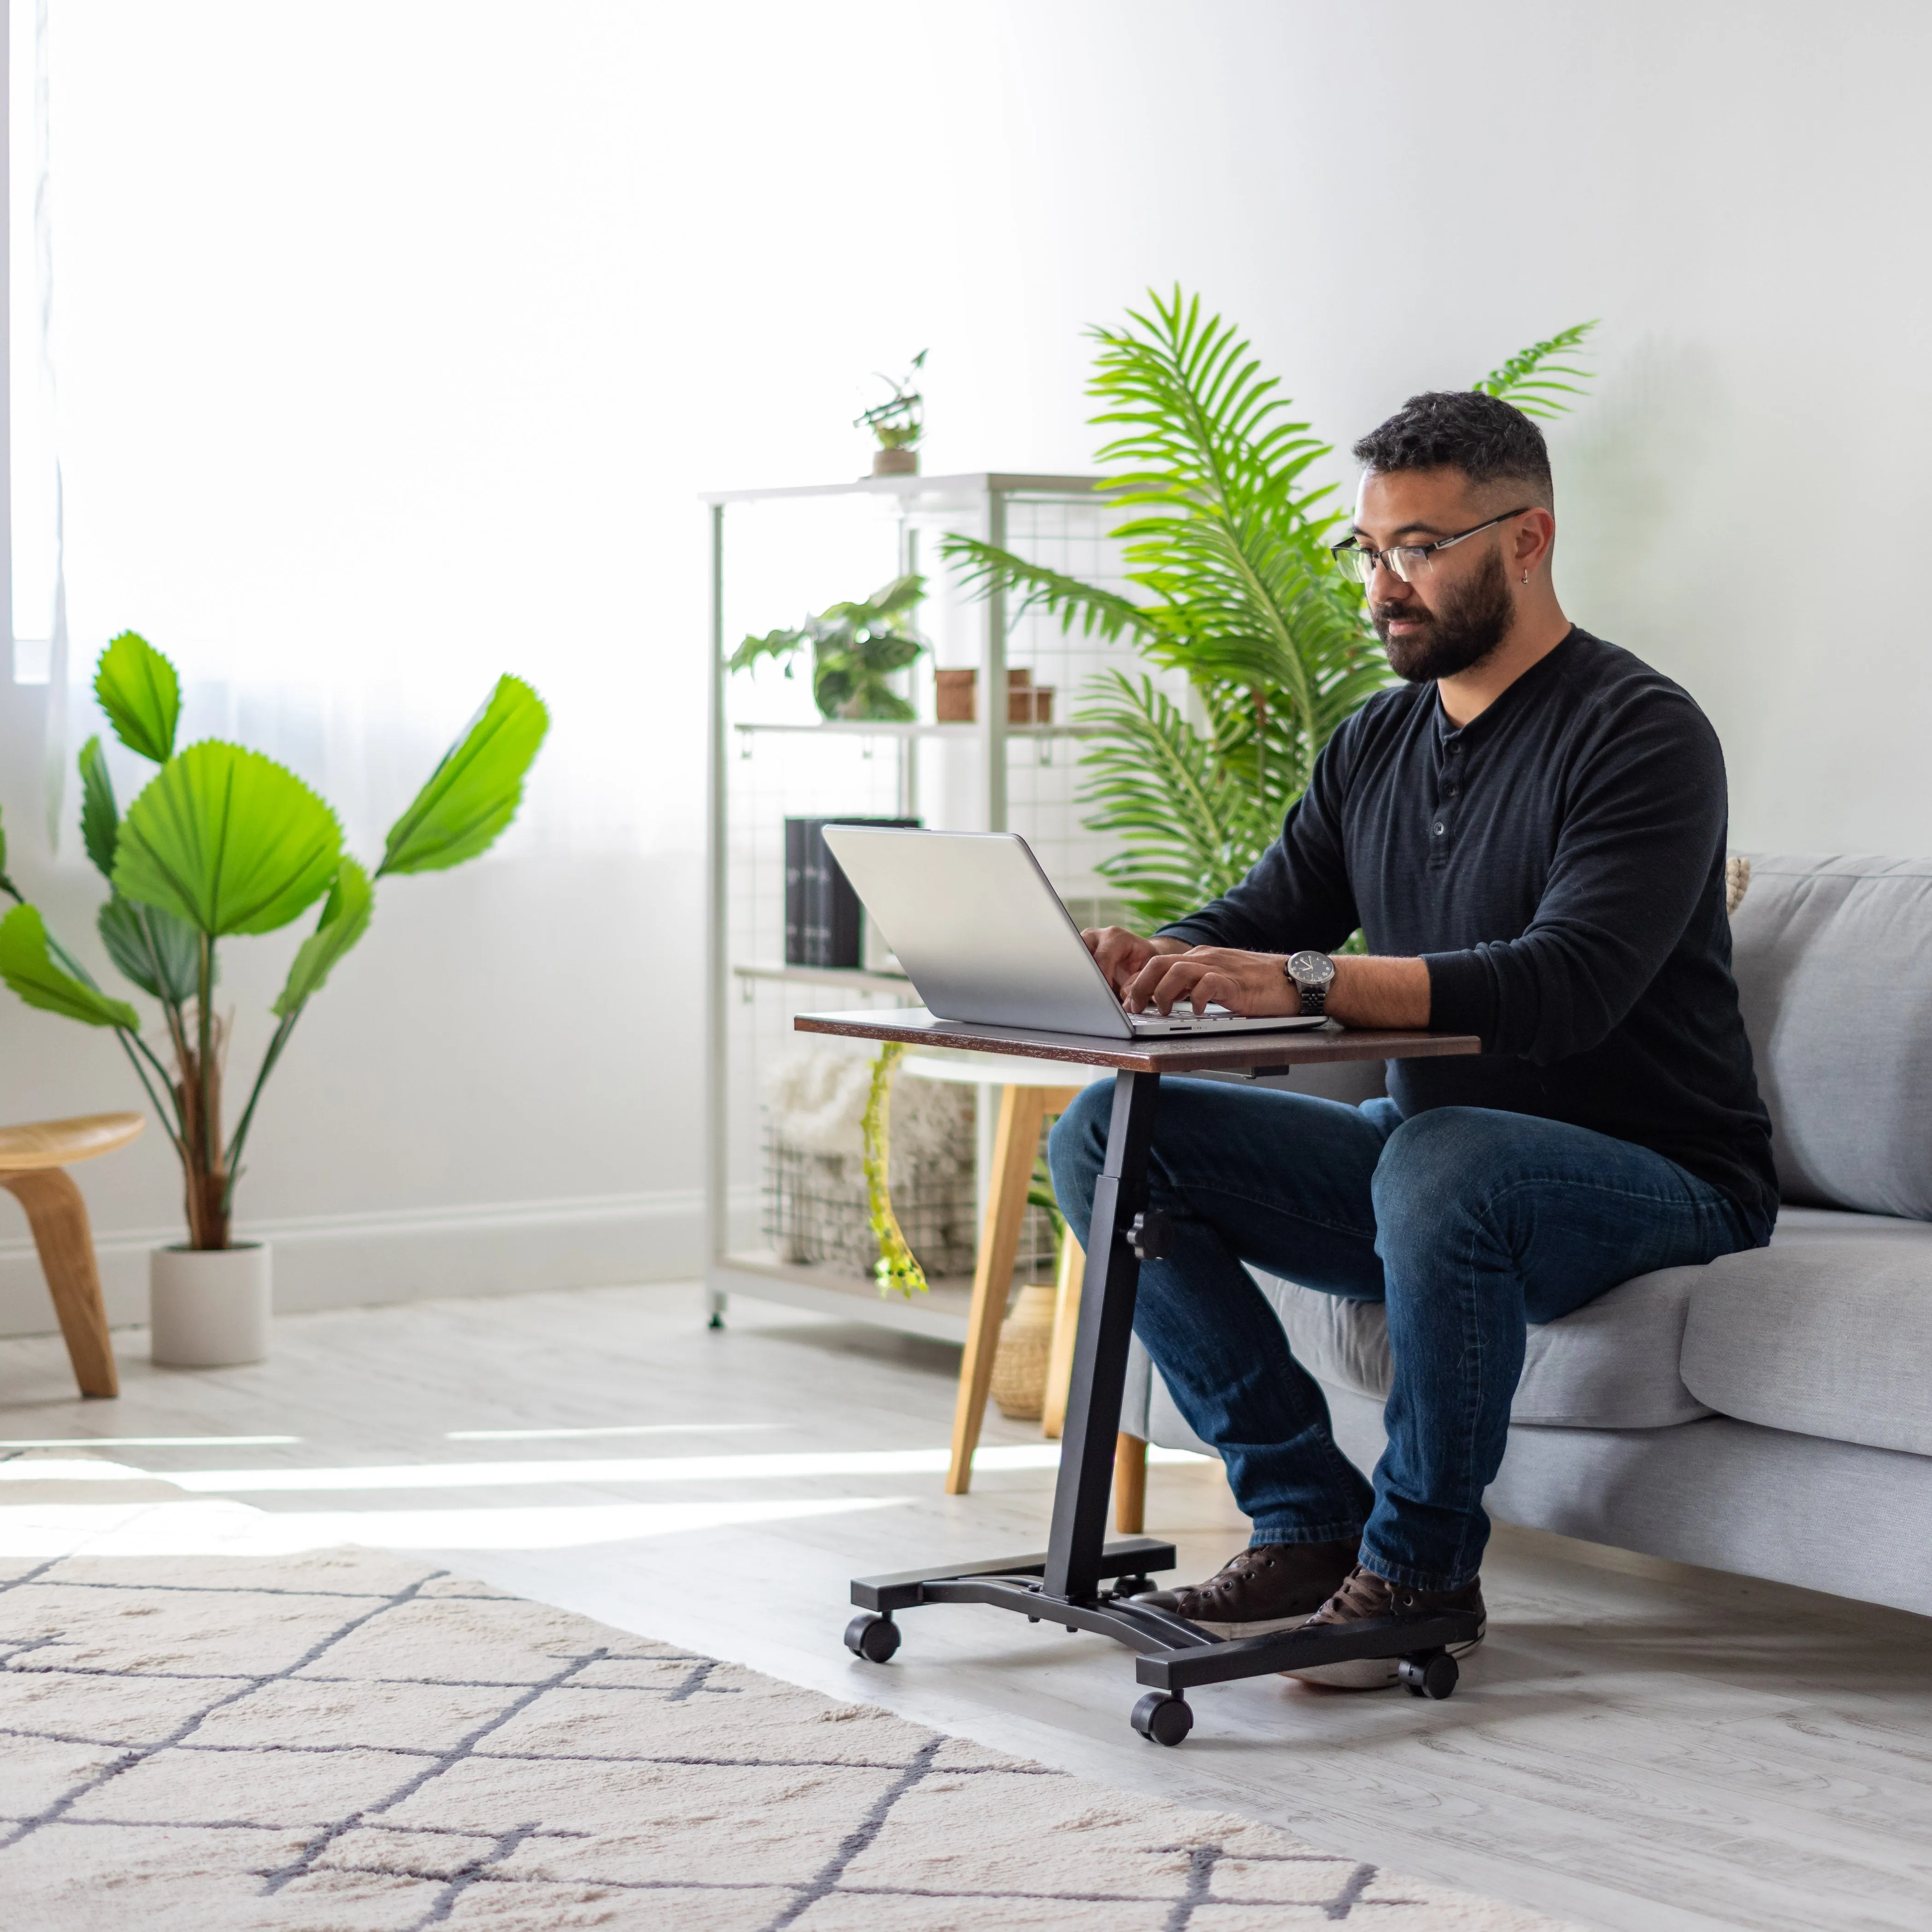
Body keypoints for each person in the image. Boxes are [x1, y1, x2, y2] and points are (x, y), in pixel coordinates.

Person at [1047, 388, 1775, 1688]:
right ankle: (1307, 1519)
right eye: (1370, 551)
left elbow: (1568, 985)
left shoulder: (1642, 733)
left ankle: (1422, 1574)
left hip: (1656, 1175)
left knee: (1443, 1162)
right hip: (1436, 1163)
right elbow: (1264, 916)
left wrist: (1311, 981)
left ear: (1528, 540)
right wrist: (1135, 959)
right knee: (1108, 1136)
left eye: (1422, 549)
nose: (1385, 584)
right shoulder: (1377, 739)